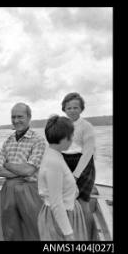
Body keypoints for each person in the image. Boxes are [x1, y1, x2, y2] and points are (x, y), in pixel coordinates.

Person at [0, 102, 46, 240]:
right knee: (11, 230)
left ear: (29, 117)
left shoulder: (38, 140)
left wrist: (8, 165)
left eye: (20, 117)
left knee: (34, 229)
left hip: (30, 190)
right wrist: (20, 170)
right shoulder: (8, 141)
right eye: (13, 117)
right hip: (9, 191)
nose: (16, 120)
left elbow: (29, 171)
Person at [38, 115, 88, 241]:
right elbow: (56, 203)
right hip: (62, 217)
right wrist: (68, 233)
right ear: (64, 138)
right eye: (71, 136)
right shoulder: (53, 162)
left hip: (65, 212)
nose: (72, 139)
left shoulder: (54, 154)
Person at [61, 92, 97, 240]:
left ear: (81, 109)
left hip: (83, 166)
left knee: (83, 203)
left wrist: (74, 175)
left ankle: (87, 239)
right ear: (64, 109)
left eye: (76, 107)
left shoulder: (87, 126)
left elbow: (88, 153)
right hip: (64, 164)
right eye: (68, 107)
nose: (72, 110)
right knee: (64, 203)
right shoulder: (61, 125)